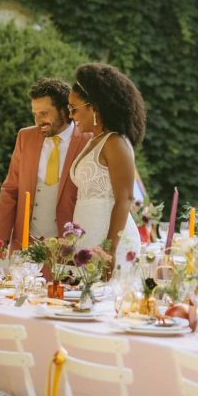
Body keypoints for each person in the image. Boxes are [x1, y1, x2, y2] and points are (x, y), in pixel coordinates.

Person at [0, 79, 91, 250]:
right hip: (25, 246)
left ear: (65, 111)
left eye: (44, 114)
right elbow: (10, 191)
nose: (38, 121)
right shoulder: (25, 137)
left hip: (67, 250)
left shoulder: (88, 141)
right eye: (35, 114)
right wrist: (0, 241)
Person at [67, 63, 145, 263]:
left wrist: (109, 251)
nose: (70, 115)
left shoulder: (115, 143)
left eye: (74, 109)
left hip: (111, 245)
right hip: (87, 238)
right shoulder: (93, 140)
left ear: (94, 107)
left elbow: (125, 199)